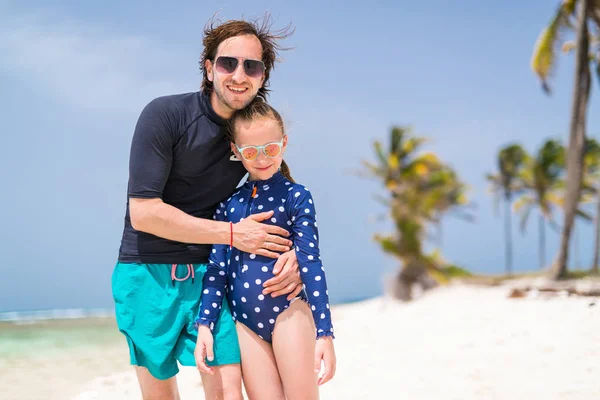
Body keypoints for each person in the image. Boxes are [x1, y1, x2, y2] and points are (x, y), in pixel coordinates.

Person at [111, 15, 302, 400]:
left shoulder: (252, 133)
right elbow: (144, 213)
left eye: (252, 66)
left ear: (263, 76)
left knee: (226, 390)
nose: (239, 74)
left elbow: (279, 192)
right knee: (160, 395)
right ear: (209, 66)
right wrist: (234, 234)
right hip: (145, 272)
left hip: (212, 276)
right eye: (228, 62)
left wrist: (296, 252)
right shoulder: (165, 115)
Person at [195, 98, 337, 400]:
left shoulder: (297, 196)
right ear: (236, 152)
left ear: (283, 143)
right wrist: (204, 325)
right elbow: (217, 271)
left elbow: (311, 263)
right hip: (245, 327)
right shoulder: (227, 207)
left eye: (270, 149)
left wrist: (325, 333)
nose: (262, 159)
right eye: (251, 151)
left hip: (289, 313)